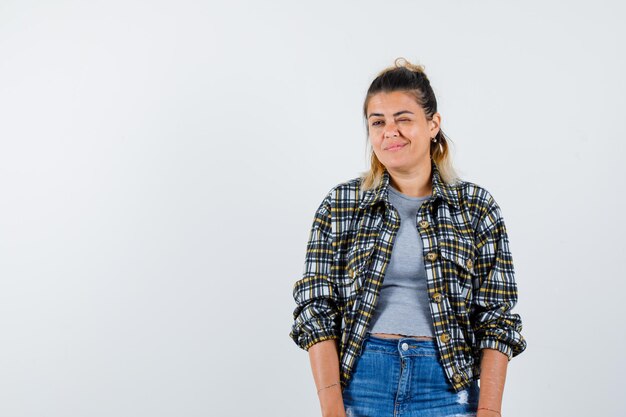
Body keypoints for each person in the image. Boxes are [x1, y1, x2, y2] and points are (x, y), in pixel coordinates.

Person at [289, 57, 527, 417]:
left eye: (404, 119)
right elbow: (315, 310)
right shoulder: (340, 205)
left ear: (433, 124)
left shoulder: (477, 207)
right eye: (378, 122)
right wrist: (332, 408)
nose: (390, 132)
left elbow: (497, 316)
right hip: (362, 381)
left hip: (447, 386)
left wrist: (490, 411)